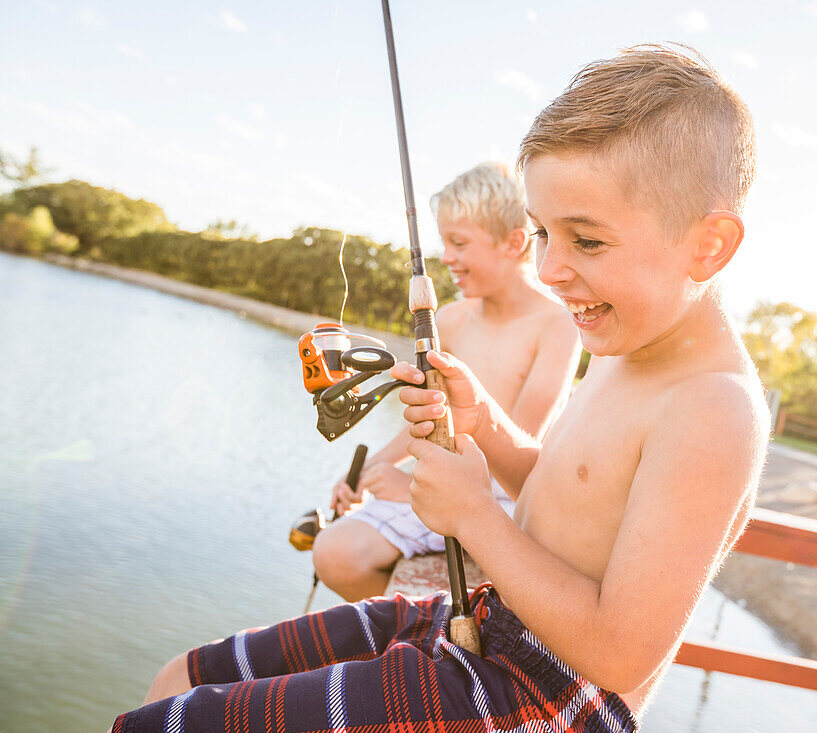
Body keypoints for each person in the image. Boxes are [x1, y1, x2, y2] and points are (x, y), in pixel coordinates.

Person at [115, 43, 768, 732]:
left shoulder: (713, 408)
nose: (550, 269)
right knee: (178, 680)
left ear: (709, 245)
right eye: (544, 233)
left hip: (548, 694)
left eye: (588, 242)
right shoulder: (622, 343)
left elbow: (620, 653)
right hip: (487, 621)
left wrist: (474, 517)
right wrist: (483, 421)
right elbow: (564, 489)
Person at [313, 161, 581, 601]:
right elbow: (427, 416)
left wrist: (418, 489)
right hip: (440, 481)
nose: (446, 257)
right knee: (333, 552)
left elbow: (526, 437)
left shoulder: (558, 324)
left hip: (512, 499)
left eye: (459, 243)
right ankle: (412, 632)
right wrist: (370, 471)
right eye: (443, 242)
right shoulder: (450, 319)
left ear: (514, 243)